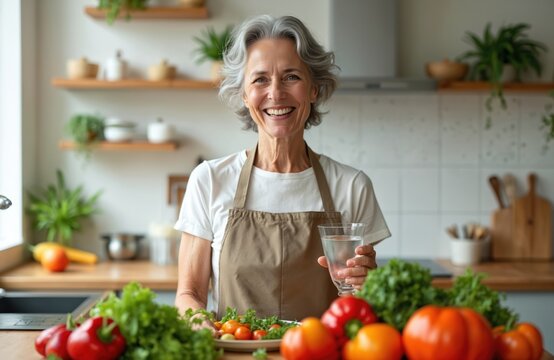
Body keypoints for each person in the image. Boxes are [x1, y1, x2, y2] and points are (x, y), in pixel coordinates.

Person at [174, 14, 390, 321]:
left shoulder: (351, 186)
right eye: (260, 79)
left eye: (291, 77)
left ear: (314, 89)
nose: (276, 93)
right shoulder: (210, 180)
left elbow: (362, 299)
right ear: (244, 94)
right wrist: (199, 325)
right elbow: (189, 295)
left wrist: (368, 284)